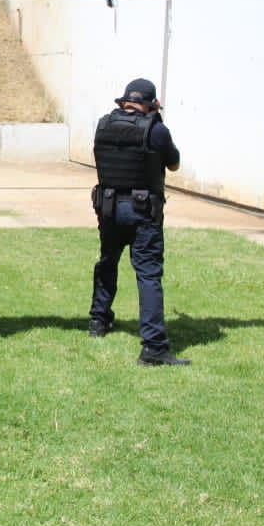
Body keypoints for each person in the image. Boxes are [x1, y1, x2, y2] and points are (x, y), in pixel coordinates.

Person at [87, 78, 188, 366]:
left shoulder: (104, 124)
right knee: (148, 274)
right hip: (143, 212)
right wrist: (158, 122)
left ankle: (98, 320)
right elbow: (174, 163)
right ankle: (154, 346)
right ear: (152, 103)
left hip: (108, 208)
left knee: (107, 261)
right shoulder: (156, 130)